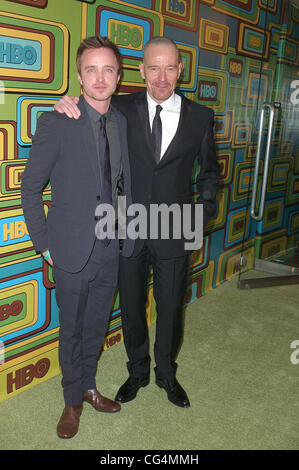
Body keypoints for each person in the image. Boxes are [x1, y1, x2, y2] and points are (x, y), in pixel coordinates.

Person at [54, 36, 219, 409]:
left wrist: (203, 214)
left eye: (170, 67)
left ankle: (166, 373)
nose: (162, 77)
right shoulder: (120, 108)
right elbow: (87, 108)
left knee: (172, 306)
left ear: (181, 70)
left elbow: (210, 173)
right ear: (141, 71)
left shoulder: (201, 117)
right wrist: (66, 103)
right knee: (130, 305)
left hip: (177, 226)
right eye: (153, 67)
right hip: (126, 225)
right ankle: (138, 371)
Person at [21, 36, 134, 438]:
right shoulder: (57, 120)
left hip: (110, 244)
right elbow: (30, 188)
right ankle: (71, 401)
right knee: (70, 327)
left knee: (97, 324)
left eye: (108, 70)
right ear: (79, 76)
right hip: (68, 246)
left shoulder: (121, 121)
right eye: (91, 69)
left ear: (118, 77)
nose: (100, 78)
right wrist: (44, 245)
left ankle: (89, 386)